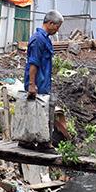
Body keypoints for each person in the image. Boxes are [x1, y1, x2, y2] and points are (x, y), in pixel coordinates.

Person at [23, 10, 64, 149]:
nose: (57, 30)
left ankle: (38, 142)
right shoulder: (38, 39)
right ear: (50, 23)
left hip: (43, 83)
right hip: (37, 84)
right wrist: (32, 85)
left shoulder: (45, 39)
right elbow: (33, 64)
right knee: (37, 113)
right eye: (57, 27)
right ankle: (39, 143)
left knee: (40, 113)